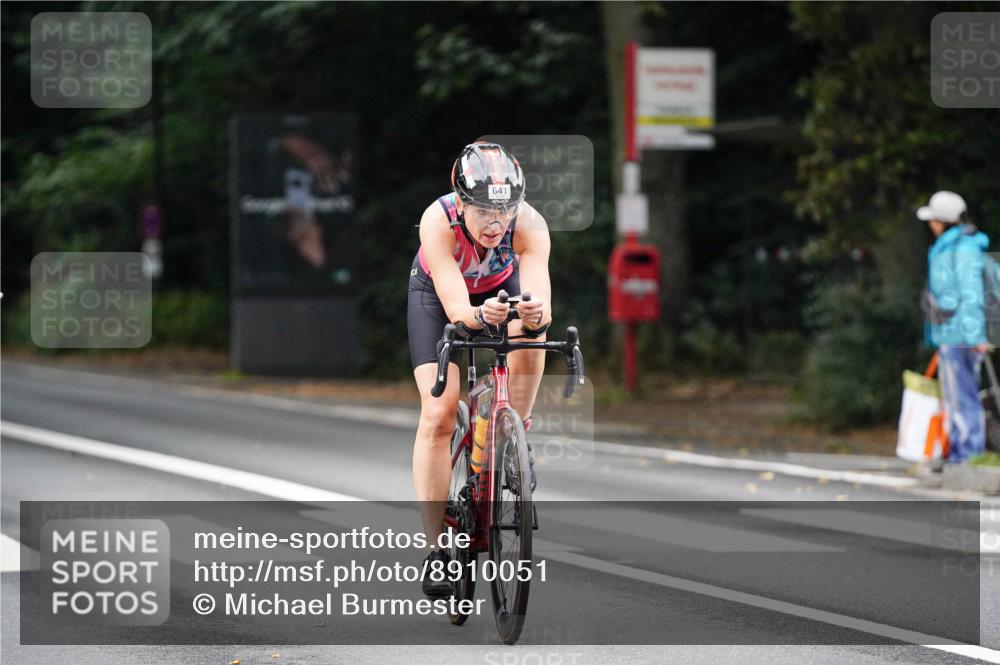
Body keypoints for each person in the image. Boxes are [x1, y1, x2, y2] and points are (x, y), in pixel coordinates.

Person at [407, 142, 551, 597]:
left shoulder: (528, 224)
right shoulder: (438, 220)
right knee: (439, 414)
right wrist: (478, 315)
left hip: (499, 286)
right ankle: (435, 552)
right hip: (438, 295)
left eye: (505, 209)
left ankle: (513, 432)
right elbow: (457, 310)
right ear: (462, 203)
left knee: (534, 336)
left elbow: (540, 305)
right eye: (485, 210)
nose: (496, 222)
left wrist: (532, 317)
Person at [920, 190, 990, 464]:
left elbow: (971, 293)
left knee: (964, 397)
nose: (931, 224)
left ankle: (970, 453)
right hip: (951, 334)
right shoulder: (950, 246)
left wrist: (976, 336)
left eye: (934, 219)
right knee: (955, 397)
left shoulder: (962, 249)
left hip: (962, 335)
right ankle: (959, 451)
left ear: (944, 221)